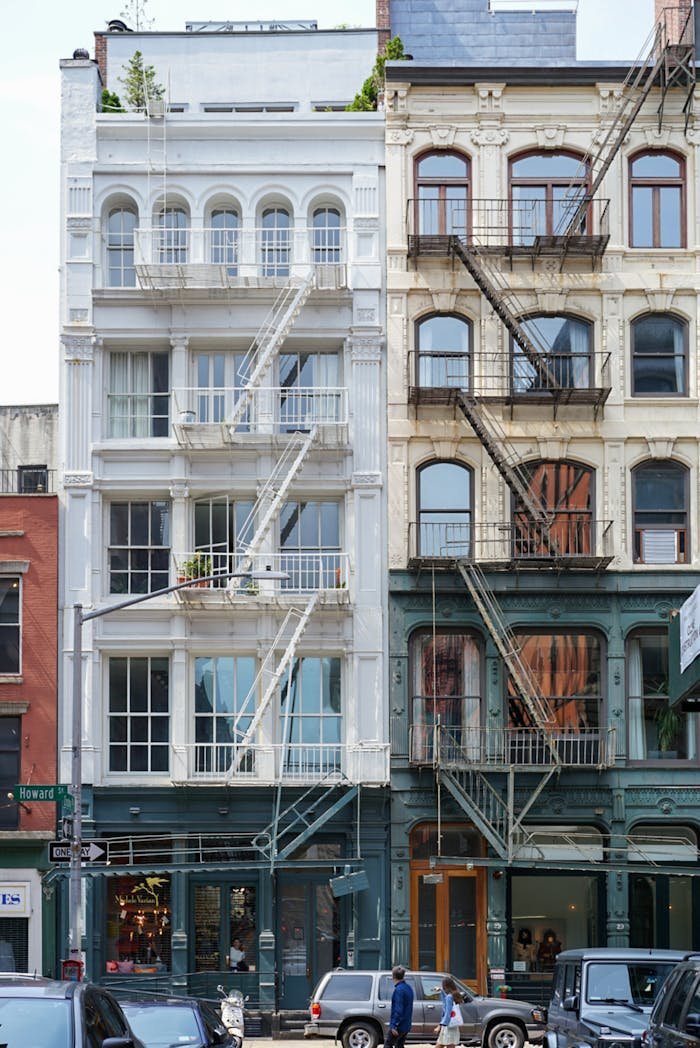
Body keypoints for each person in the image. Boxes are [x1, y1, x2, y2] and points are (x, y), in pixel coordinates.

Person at [385, 964, 414, 1048]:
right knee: (399, 1045)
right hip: (406, 1024)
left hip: (399, 1025)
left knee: (388, 1045)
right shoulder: (408, 988)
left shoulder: (399, 990)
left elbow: (398, 1009)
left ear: (393, 976)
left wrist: (394, 1025)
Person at [434, 975, 463, 1046]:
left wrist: (440, 1025)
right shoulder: (455, 995)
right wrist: (441, 991)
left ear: (445, 986)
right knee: (447, 1044)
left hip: (448, 1026)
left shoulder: (449, 997)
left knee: (441, 1044)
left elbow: (447, 1013)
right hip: (453, 1025)